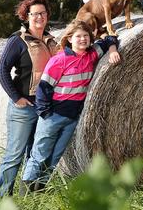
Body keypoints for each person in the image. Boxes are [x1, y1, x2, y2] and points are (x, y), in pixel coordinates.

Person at [20, 20, 121, 193]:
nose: (82, 39)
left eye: (85, 36)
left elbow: (110, 39)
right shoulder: (60, 60)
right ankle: (25, 191)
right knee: (40, 154)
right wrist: (45, 113)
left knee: (55, 155)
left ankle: (39, 190)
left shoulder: (91, 54)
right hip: (52, 116)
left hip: (72, 118)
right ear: (70, 39)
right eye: (78, 36)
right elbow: (44, 88)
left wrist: (112, 50)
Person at [0, 0, 59, 197]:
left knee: (37, 154)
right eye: (35, 14)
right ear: (27, 17)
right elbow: (2, 69)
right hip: (24, 108)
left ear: (47, 15)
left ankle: (32, 196)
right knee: (14, 155)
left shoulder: (52, 41)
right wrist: (16, 98)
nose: (39, 17)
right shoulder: (18, 41)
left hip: (45, 108)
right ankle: (3, 198)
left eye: (42, 13)